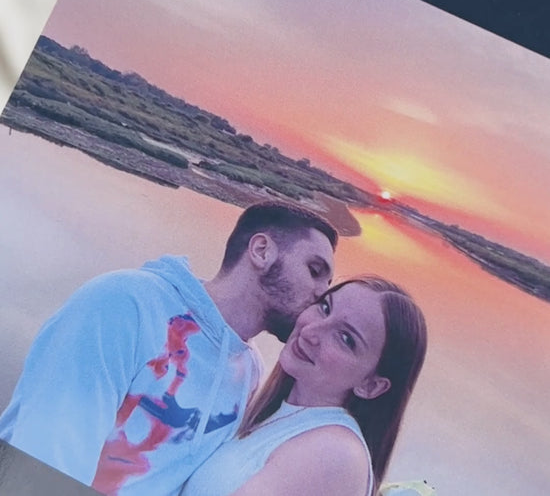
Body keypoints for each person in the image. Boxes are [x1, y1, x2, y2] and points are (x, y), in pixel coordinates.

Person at [0, 201, 337, 496]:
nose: (321, 294)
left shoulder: (248, 372)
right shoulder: (127, 304)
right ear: (262, 251)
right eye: (314, 270)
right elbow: (46, 457)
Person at [181, 276, 428, 496]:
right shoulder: (269, 411)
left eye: (345, 338)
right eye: (325, 307)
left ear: (371, 386)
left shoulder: (337, 453)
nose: (310, 331)